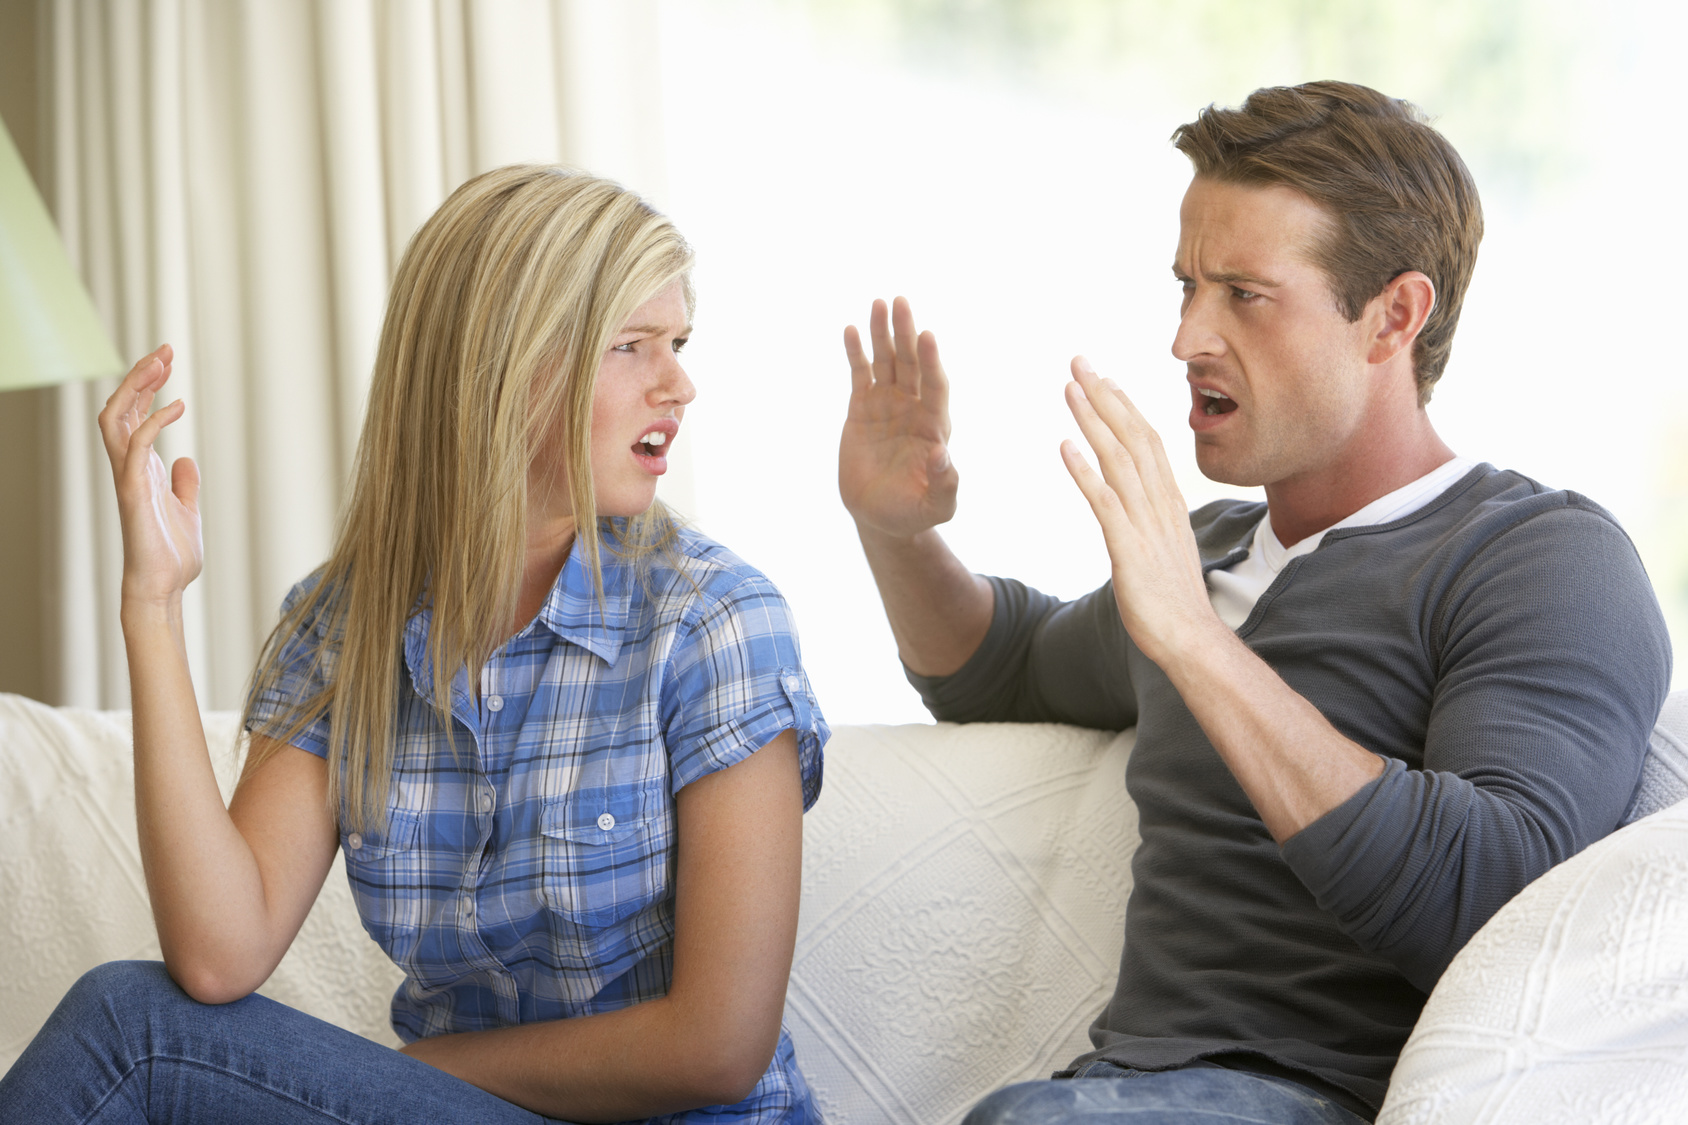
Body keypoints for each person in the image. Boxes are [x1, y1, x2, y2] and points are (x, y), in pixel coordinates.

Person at [838, 81, 1670, 1124]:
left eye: (1243, 293)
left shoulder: (1535, 558)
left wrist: (1194, 642)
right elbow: (996, 669)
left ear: (1391, 318)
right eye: (1185, 286)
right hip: (1115, 1096)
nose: (1185, 336)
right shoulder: (1210, 552)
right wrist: (896, 529)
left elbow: (1494, 903)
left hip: (1317, 1099)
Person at [0, 167, 827, 1125]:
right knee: (134, 1016)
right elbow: (219, 952)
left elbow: (719, 1047)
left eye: (677, 343)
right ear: (508, 365)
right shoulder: (346, 621)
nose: (680, 382)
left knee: (129, 1029)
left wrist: (426, 1070)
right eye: (632, 346)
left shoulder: (715, 620)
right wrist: (153, 606)